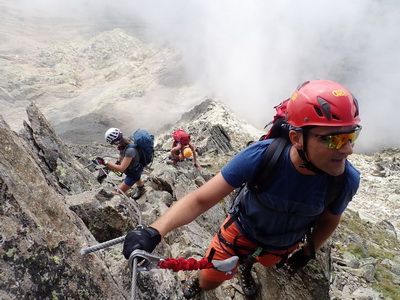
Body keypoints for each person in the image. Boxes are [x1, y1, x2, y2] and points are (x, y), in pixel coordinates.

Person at [122, 80, 362, 298]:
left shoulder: (344, 179)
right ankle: (199, 280)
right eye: (334, 140)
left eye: (351, 136)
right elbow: (200, 200)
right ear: (297, 138)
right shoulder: (260, 157)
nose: (348, 150)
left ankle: (246, 266)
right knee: (210, 279)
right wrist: (154, 232)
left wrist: (307, 252)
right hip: (239, 235)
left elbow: (330, 219)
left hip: (281, 246)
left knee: (265, 262)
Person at [93, 128, 147, 200]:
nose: (113, 145)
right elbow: (122, 154)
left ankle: (128, 203)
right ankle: (141, 188)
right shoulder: (126, 141)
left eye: (112, 143)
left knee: (119, 192)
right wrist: (119, 160)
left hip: (133, 173)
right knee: (137, 176)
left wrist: (104, 162)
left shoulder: (130, 150)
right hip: (137, 167)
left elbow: (121, 168)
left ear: (116, 141)